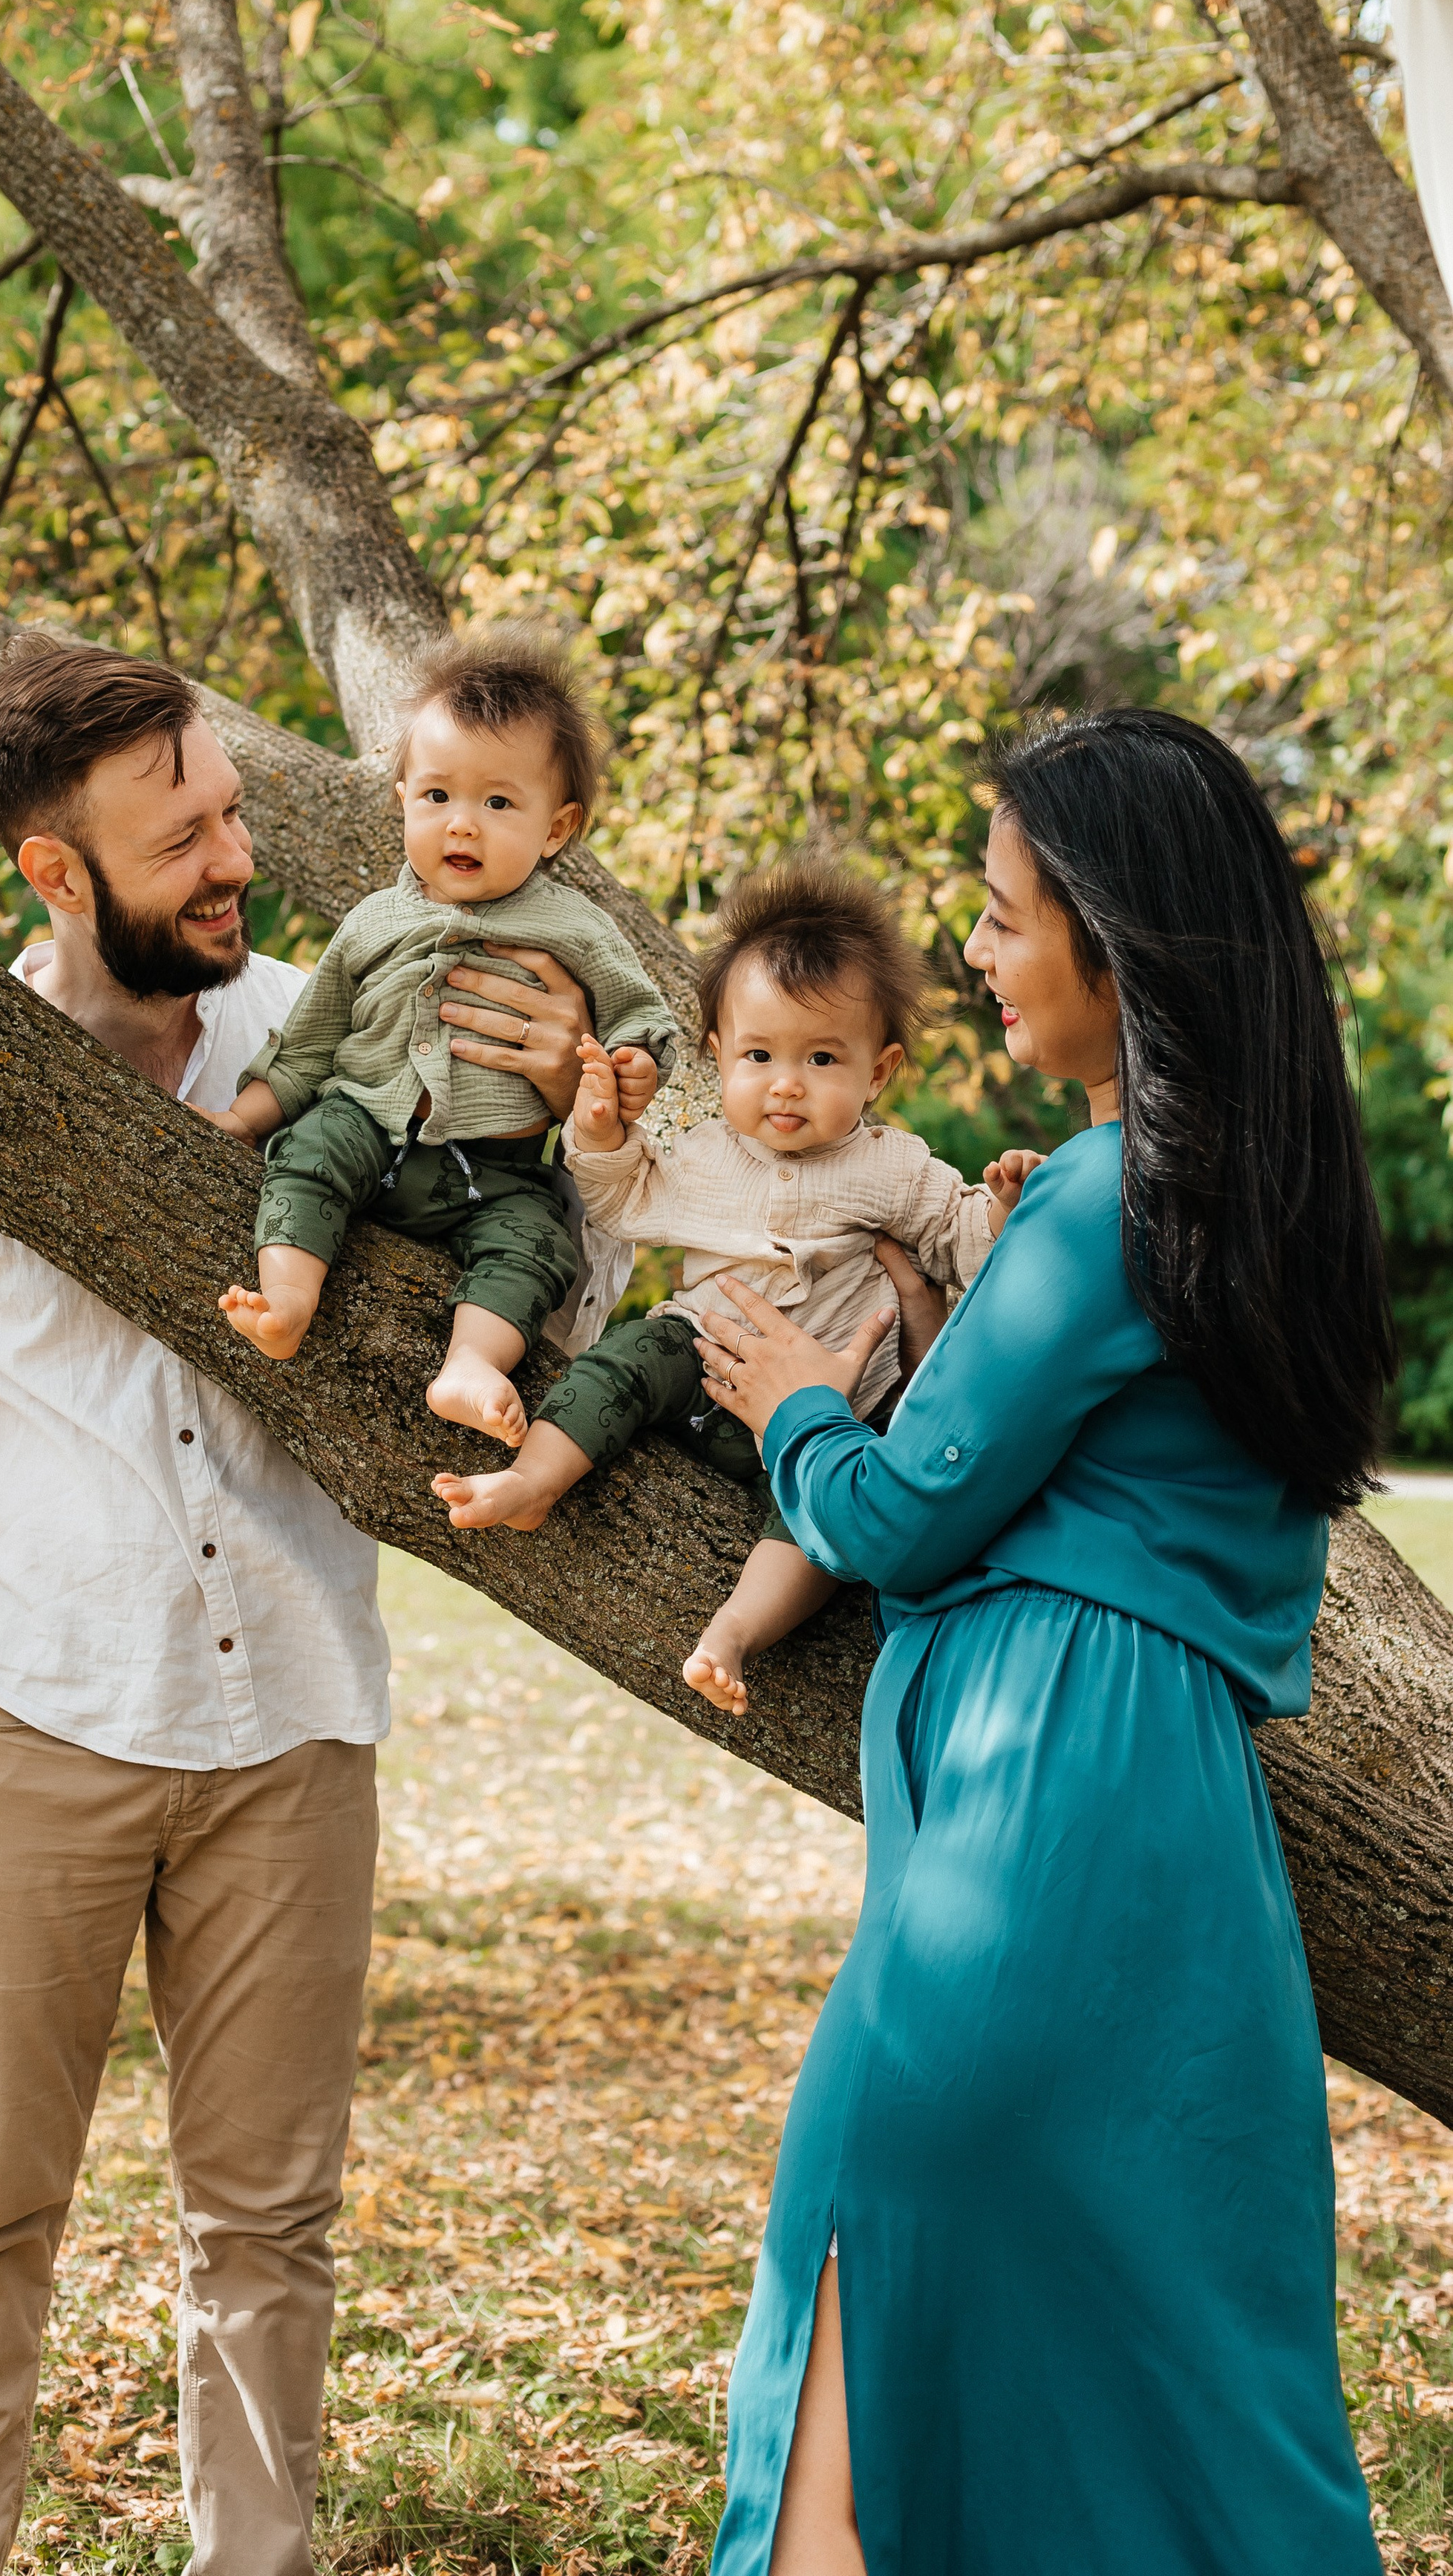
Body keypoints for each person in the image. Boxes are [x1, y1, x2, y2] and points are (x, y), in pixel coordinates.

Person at [0, 633, 609, 2576]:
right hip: (31, 1728)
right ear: (55, 874)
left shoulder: (351, 1030)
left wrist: (589, 1146)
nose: (231, 860)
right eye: (179, 836)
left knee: (268, 2234)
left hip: (294, 1728)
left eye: (226, 812)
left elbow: (544, 1302)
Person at [692, 707, 1391, 2575]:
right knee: (1177, 2356)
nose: (977, 955)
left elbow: (899, 1508)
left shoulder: (1104, 1199)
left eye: (1003, 915)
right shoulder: (1255, 1200)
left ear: (1114, 934)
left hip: (1028, 1811)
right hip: (1169, 1838)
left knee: (866, 2274)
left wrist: (786, 1401)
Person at [432, 855, 1030, 1717]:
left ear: (878, 1072)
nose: (785, 1082)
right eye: (759, 1054)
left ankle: (734, 1633)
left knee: (822, 1526)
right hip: (699, 1358)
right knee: (625, 1360)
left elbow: (961, 1245)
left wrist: (1001, 1213)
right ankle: (534, 1479)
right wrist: (598, 1135)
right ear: (717, 1058)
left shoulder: (894, 1169)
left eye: (822, 1057)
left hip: (824, 1413)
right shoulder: (706, 1151)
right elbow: (623, 1196)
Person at [212, 627, 677, 1447]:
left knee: (537, 1246)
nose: (462, 825)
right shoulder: (373, 922)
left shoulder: (575, 926)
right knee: (307, 1152)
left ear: (556, 828)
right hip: (365, 1123)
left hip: (494, 1169)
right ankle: (287, 1300)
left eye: (498, 803)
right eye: (437, 798)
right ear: (401, 801)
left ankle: (470, 1365)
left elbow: (640, 1012)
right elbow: (310, 1044)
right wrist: (242, 1121)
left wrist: (633, 1062)